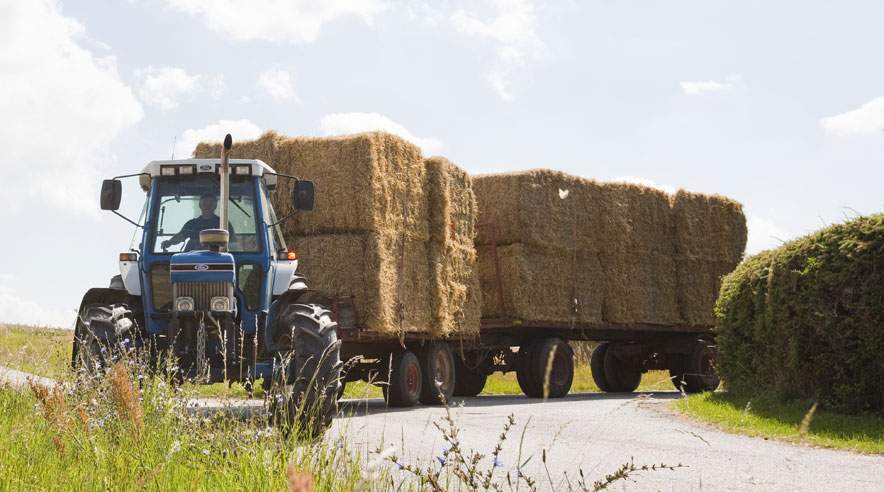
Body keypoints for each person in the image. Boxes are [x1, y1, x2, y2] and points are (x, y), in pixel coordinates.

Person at [161, 193, 235, 251]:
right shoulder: (192, 224)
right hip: (193, 259)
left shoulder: (223, 224)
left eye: (210, 204)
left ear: (215, 206)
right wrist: (169, 242)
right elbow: (181, 236)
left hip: (219, 259)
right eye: (204, 204)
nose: (207, 206)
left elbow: (233, 242)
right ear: (200, 205)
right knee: (191, 243)